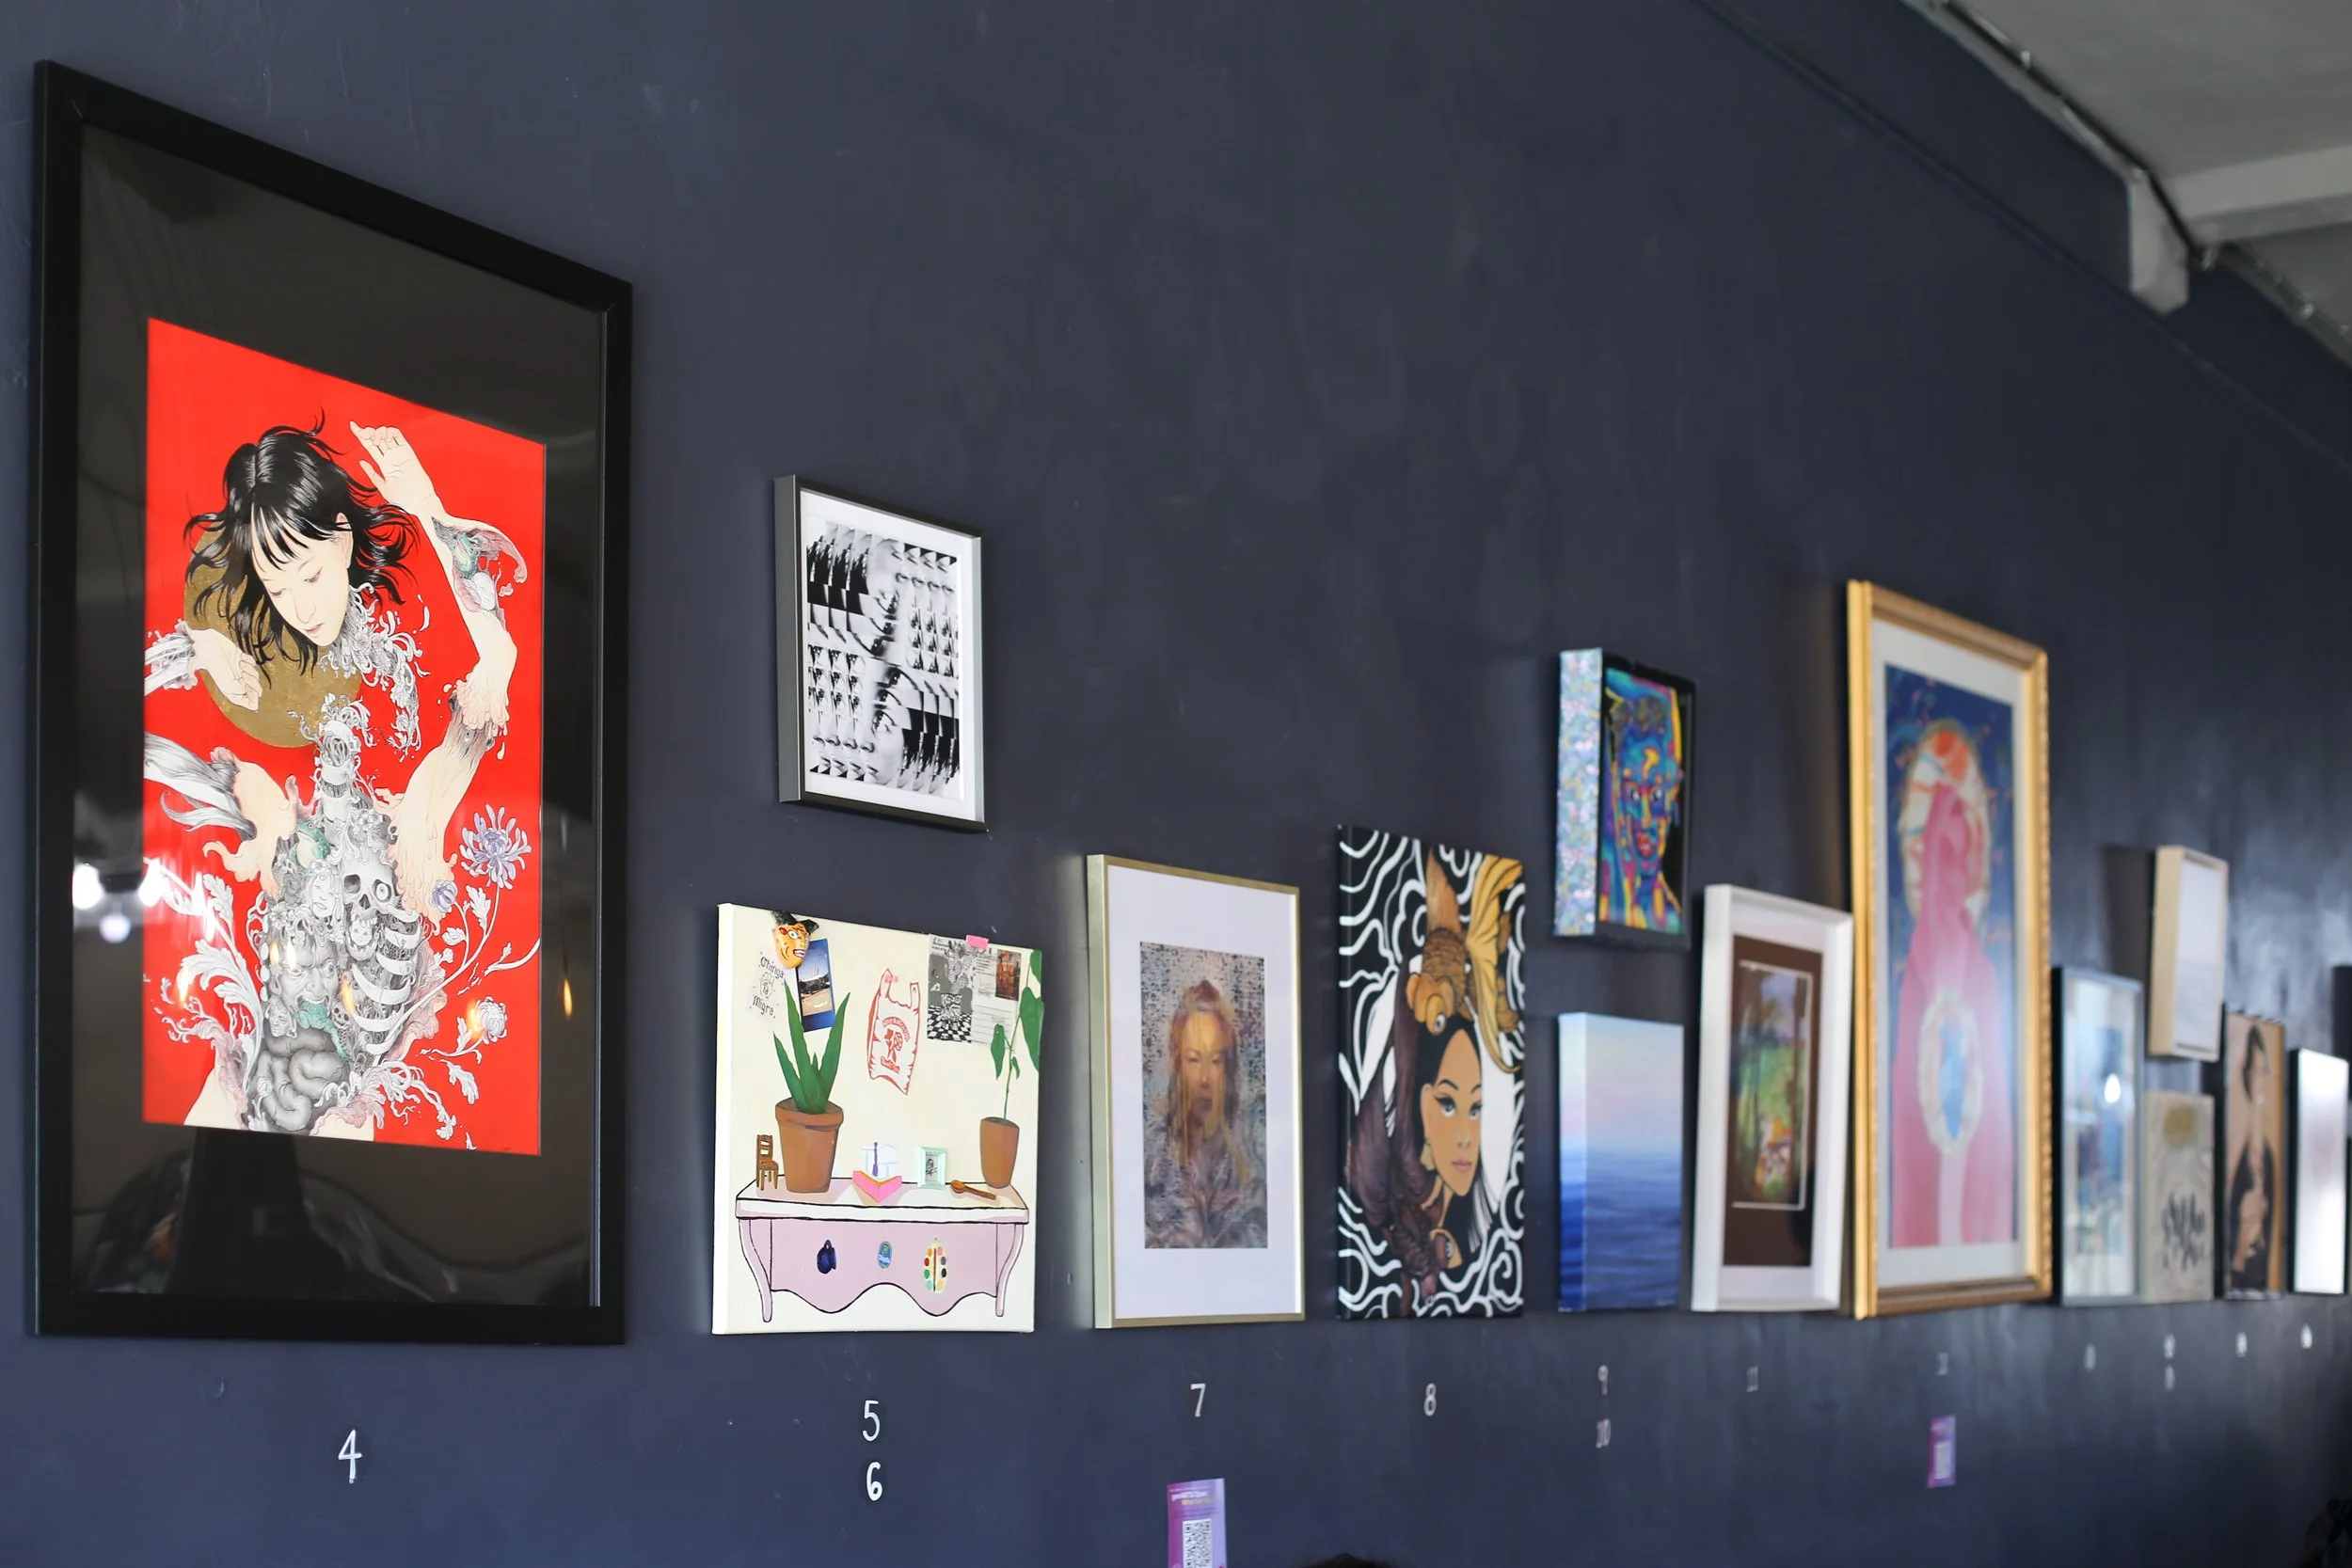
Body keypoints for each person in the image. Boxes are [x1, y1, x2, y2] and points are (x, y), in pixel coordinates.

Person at [144, 420, 525, 1139]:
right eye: (279, 590)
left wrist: (428, 504)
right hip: (303, 937)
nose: (303, 606)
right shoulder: (283, 654)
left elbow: (499, 646)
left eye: (312, 575)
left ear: (345, 536)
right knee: (220, 1127)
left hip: (379, 949)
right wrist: (206, 645)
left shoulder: (414, 629)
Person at [1346, 851, 1518, 1308]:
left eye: (1476, 1108)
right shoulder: (1388, 1199)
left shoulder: (1468, 1220)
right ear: (1419, 1102)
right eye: (1448, 1102)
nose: (1467, 1136)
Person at [1886, 723, 2014, 1248]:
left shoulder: (1984, 973)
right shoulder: (1910, 972)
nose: (1956, 874)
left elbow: (1997, 1116)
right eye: (1945, 858)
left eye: (1963, 859)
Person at [1144, 979, 1265, 1248]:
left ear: (1227, 1068)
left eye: (1215, 1061)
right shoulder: (1155, 1155)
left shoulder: (1246, 1159)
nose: (1204, 1079)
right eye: (1194, 1059)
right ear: (1177, 1064)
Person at [1597, 670, 1685, 932]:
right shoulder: (1608, 885)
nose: (1645, 819)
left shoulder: (1671, 918)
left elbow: (1668, 695)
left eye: (1657, 796)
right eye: (1633, 795)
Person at [2226, 1022, 2280, 1291]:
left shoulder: (2265, 1155)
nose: (2260, 1080)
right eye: (2255, 1072)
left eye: (2263, 1072)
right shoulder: (2239, 1151)